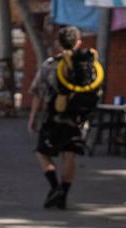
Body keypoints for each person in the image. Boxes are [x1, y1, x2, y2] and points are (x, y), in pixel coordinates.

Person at [28, 26, 98, 210]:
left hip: (54, 117)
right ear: (79, 42)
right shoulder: (88, 64)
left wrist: (33, 117)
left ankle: (55, 186)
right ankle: (64, 194)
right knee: (69, 155)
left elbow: (38, 93)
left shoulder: (51, 64)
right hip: (77, 118)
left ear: (58, 43)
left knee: (42, 152)